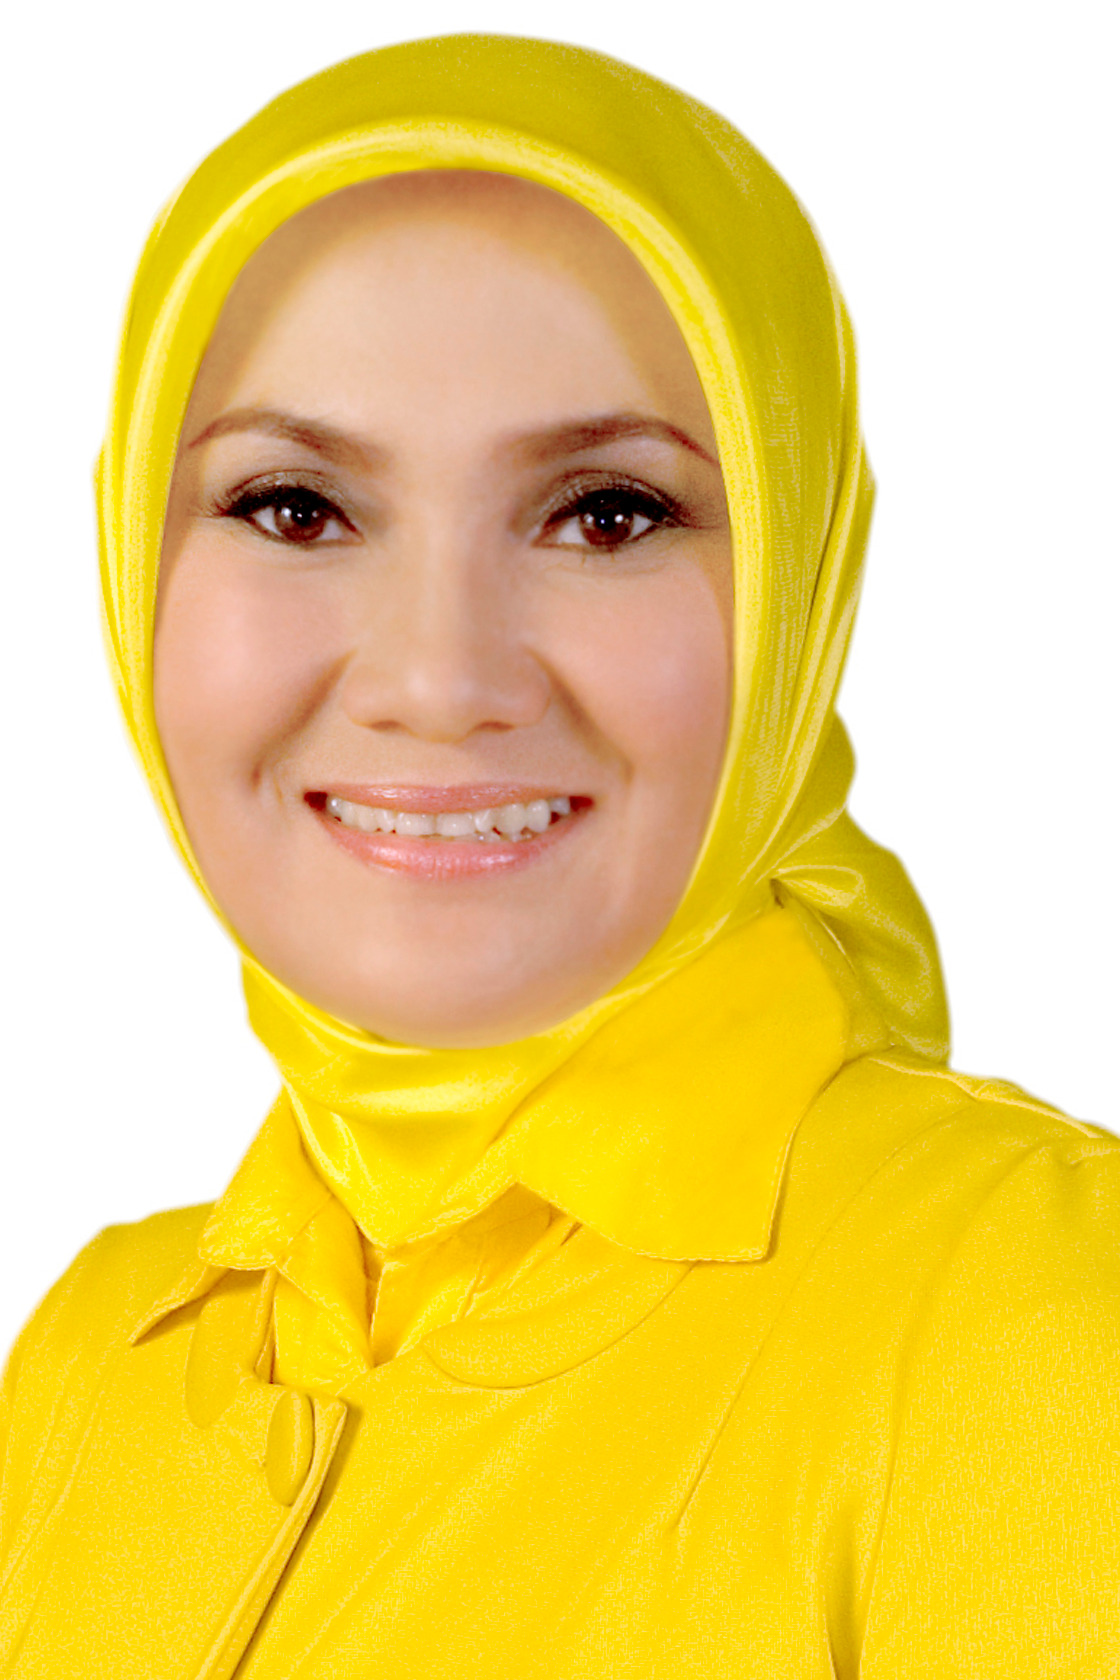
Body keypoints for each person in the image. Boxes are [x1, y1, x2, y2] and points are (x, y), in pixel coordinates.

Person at [1, 33, 1116, 1678]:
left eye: (607, 513)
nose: (439, 680)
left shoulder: (1035, 1309)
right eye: (296, 506)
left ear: (800, 581)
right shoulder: (94, 1353)